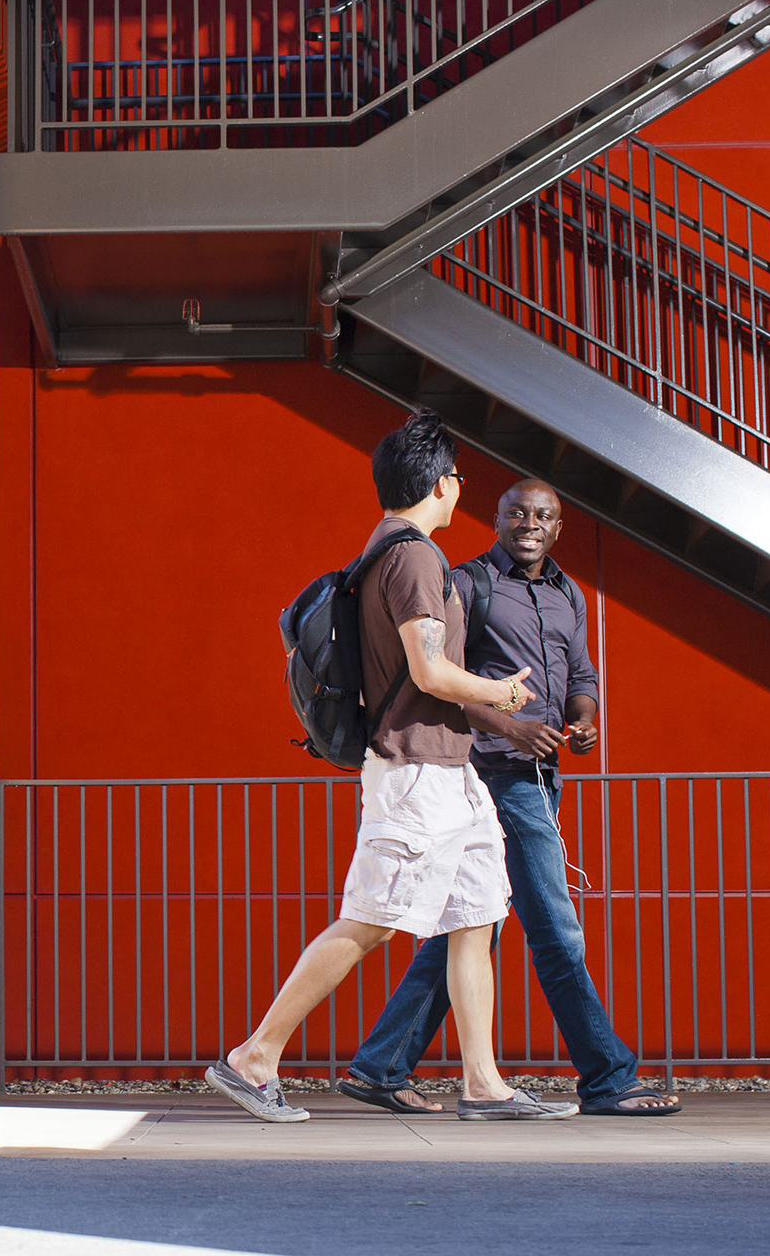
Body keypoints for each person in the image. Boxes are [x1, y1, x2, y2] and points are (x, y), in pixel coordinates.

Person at [207, 408, 576, 1122]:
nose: (459, 488)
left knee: (475, 917)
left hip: (451, 773)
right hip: (415, 777)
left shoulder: (393, 549)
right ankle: (255, 1056)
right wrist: (500, 691)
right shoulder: (411, 556)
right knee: (372, 920)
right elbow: (431, 670)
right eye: (459, 478)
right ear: (441, 482)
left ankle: (483, 1084)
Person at [334, 479, 682, 1117]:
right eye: (517, 512)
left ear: (559, 526)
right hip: (495, 772)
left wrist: (585, 719)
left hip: (542, 775)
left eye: (543, 515)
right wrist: (514, 727)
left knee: (471, 923)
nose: (529, 522)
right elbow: (443, 682)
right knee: (553, 927)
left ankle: (381, 1064)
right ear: (495, 520)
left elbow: (582, 674)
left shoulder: (567, 592)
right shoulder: (467, 583)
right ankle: (607, 1077)